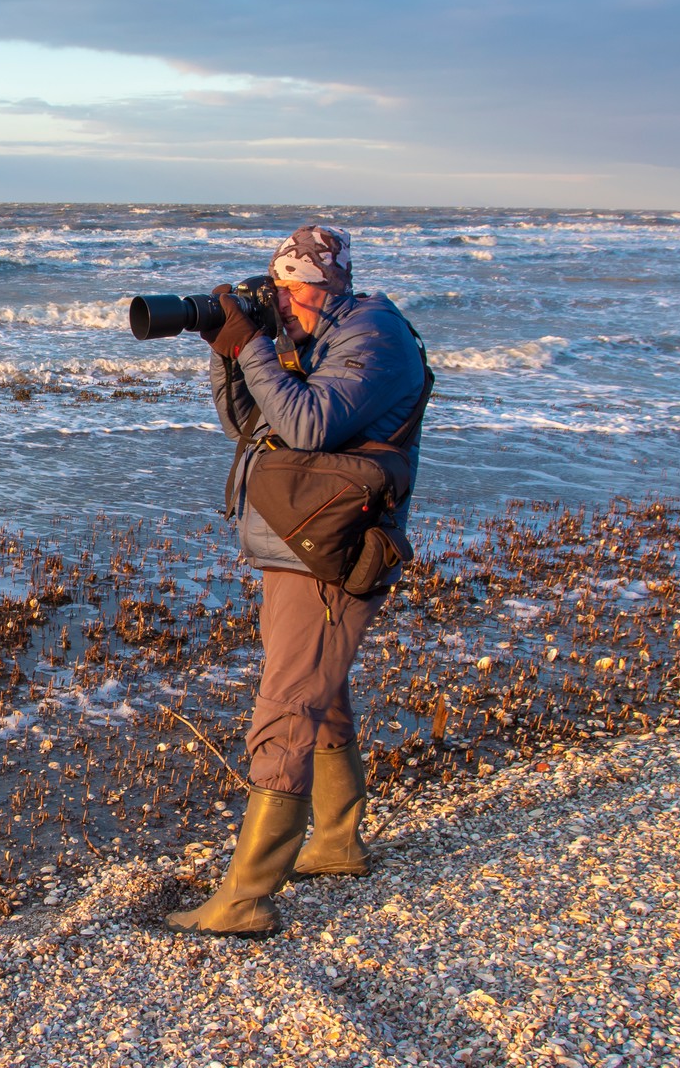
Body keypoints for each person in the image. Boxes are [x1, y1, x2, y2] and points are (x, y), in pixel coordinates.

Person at [166, 225, 428, 937]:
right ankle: (338, 841)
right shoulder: (322, 332)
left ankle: (247, 899)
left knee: (285, 708)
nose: (279, 302)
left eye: (288, 290)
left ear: (327, 284)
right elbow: (252, 426)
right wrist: (227, 353)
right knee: (320, 691)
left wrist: (254, 346)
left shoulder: (373, 337)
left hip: (331, 550)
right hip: (300, 540)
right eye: (273, 290)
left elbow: (308, 426)